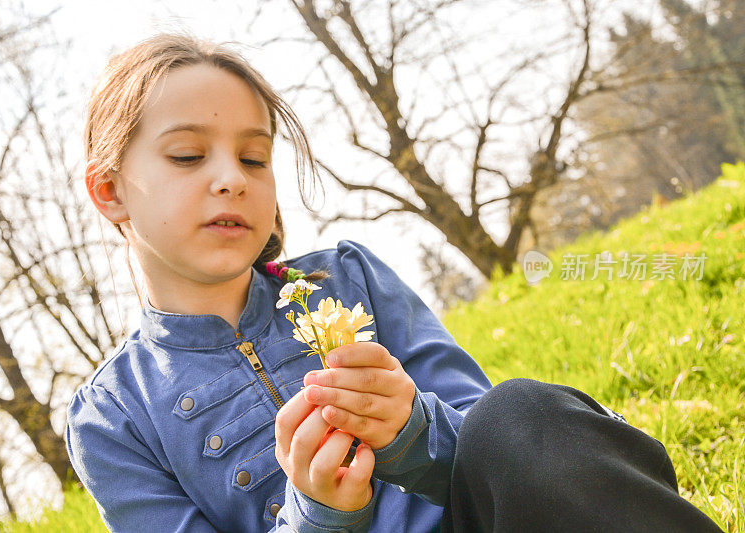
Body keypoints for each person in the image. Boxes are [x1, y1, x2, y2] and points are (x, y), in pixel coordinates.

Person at [66, 31, 722, 533]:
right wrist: (319, 511)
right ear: (109, 190)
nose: (231, 177)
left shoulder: (344, 276)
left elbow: (497, 452)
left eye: (254, 156)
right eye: (187, 155)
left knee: (519, 411)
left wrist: (412, 429)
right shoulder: (112, 416)